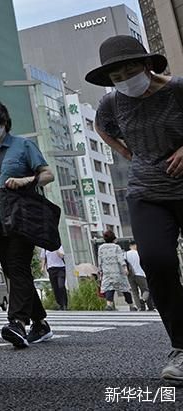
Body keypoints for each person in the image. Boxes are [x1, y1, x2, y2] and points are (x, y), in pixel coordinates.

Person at [87, 35, 183, 382]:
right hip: (146, 191)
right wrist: (128, 154)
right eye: (116, 76)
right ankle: (182, 346)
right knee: (156, 261)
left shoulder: (177, 89)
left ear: (146, 64)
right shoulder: (111, 104)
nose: (125, 79)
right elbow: (101, 128)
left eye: (131, 69)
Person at [0, 101, 55, 348]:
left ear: (3, 122)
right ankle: (40, 323)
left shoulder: (23, 145)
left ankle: (17, 322)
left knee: (18, 266)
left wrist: (27, 180)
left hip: (23, 216)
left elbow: (47, 174)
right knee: (11, 269)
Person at [97, 230, 134, 310]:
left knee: (109, 288)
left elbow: (100, 261)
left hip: (107, 272)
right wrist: (125, 268)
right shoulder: (116, 247)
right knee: (125, 289)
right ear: (113, 238)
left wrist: (100, 271)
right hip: (118, 272)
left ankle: (109, 305)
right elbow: (120, 258)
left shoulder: (101, 248)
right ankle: (131, 305)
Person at [125, 243, 153, 311]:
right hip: (140, 274)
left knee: (134, 292)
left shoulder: (125, 254)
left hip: (130, 275)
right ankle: (144, 300)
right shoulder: (139, 253)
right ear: (135, 245)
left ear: (130, 246)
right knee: (146, 290)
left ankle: (140, 307)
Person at [40, 246, 68, 312]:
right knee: (55, 287)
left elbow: (62, 256)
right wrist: (42, 267)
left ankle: (64, 304)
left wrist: (56, 250)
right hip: (51, 269)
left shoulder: (58, 246)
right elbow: (43, 258)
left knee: (61, 286)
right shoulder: (45, 247)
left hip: (60, 268)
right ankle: (60, 304)